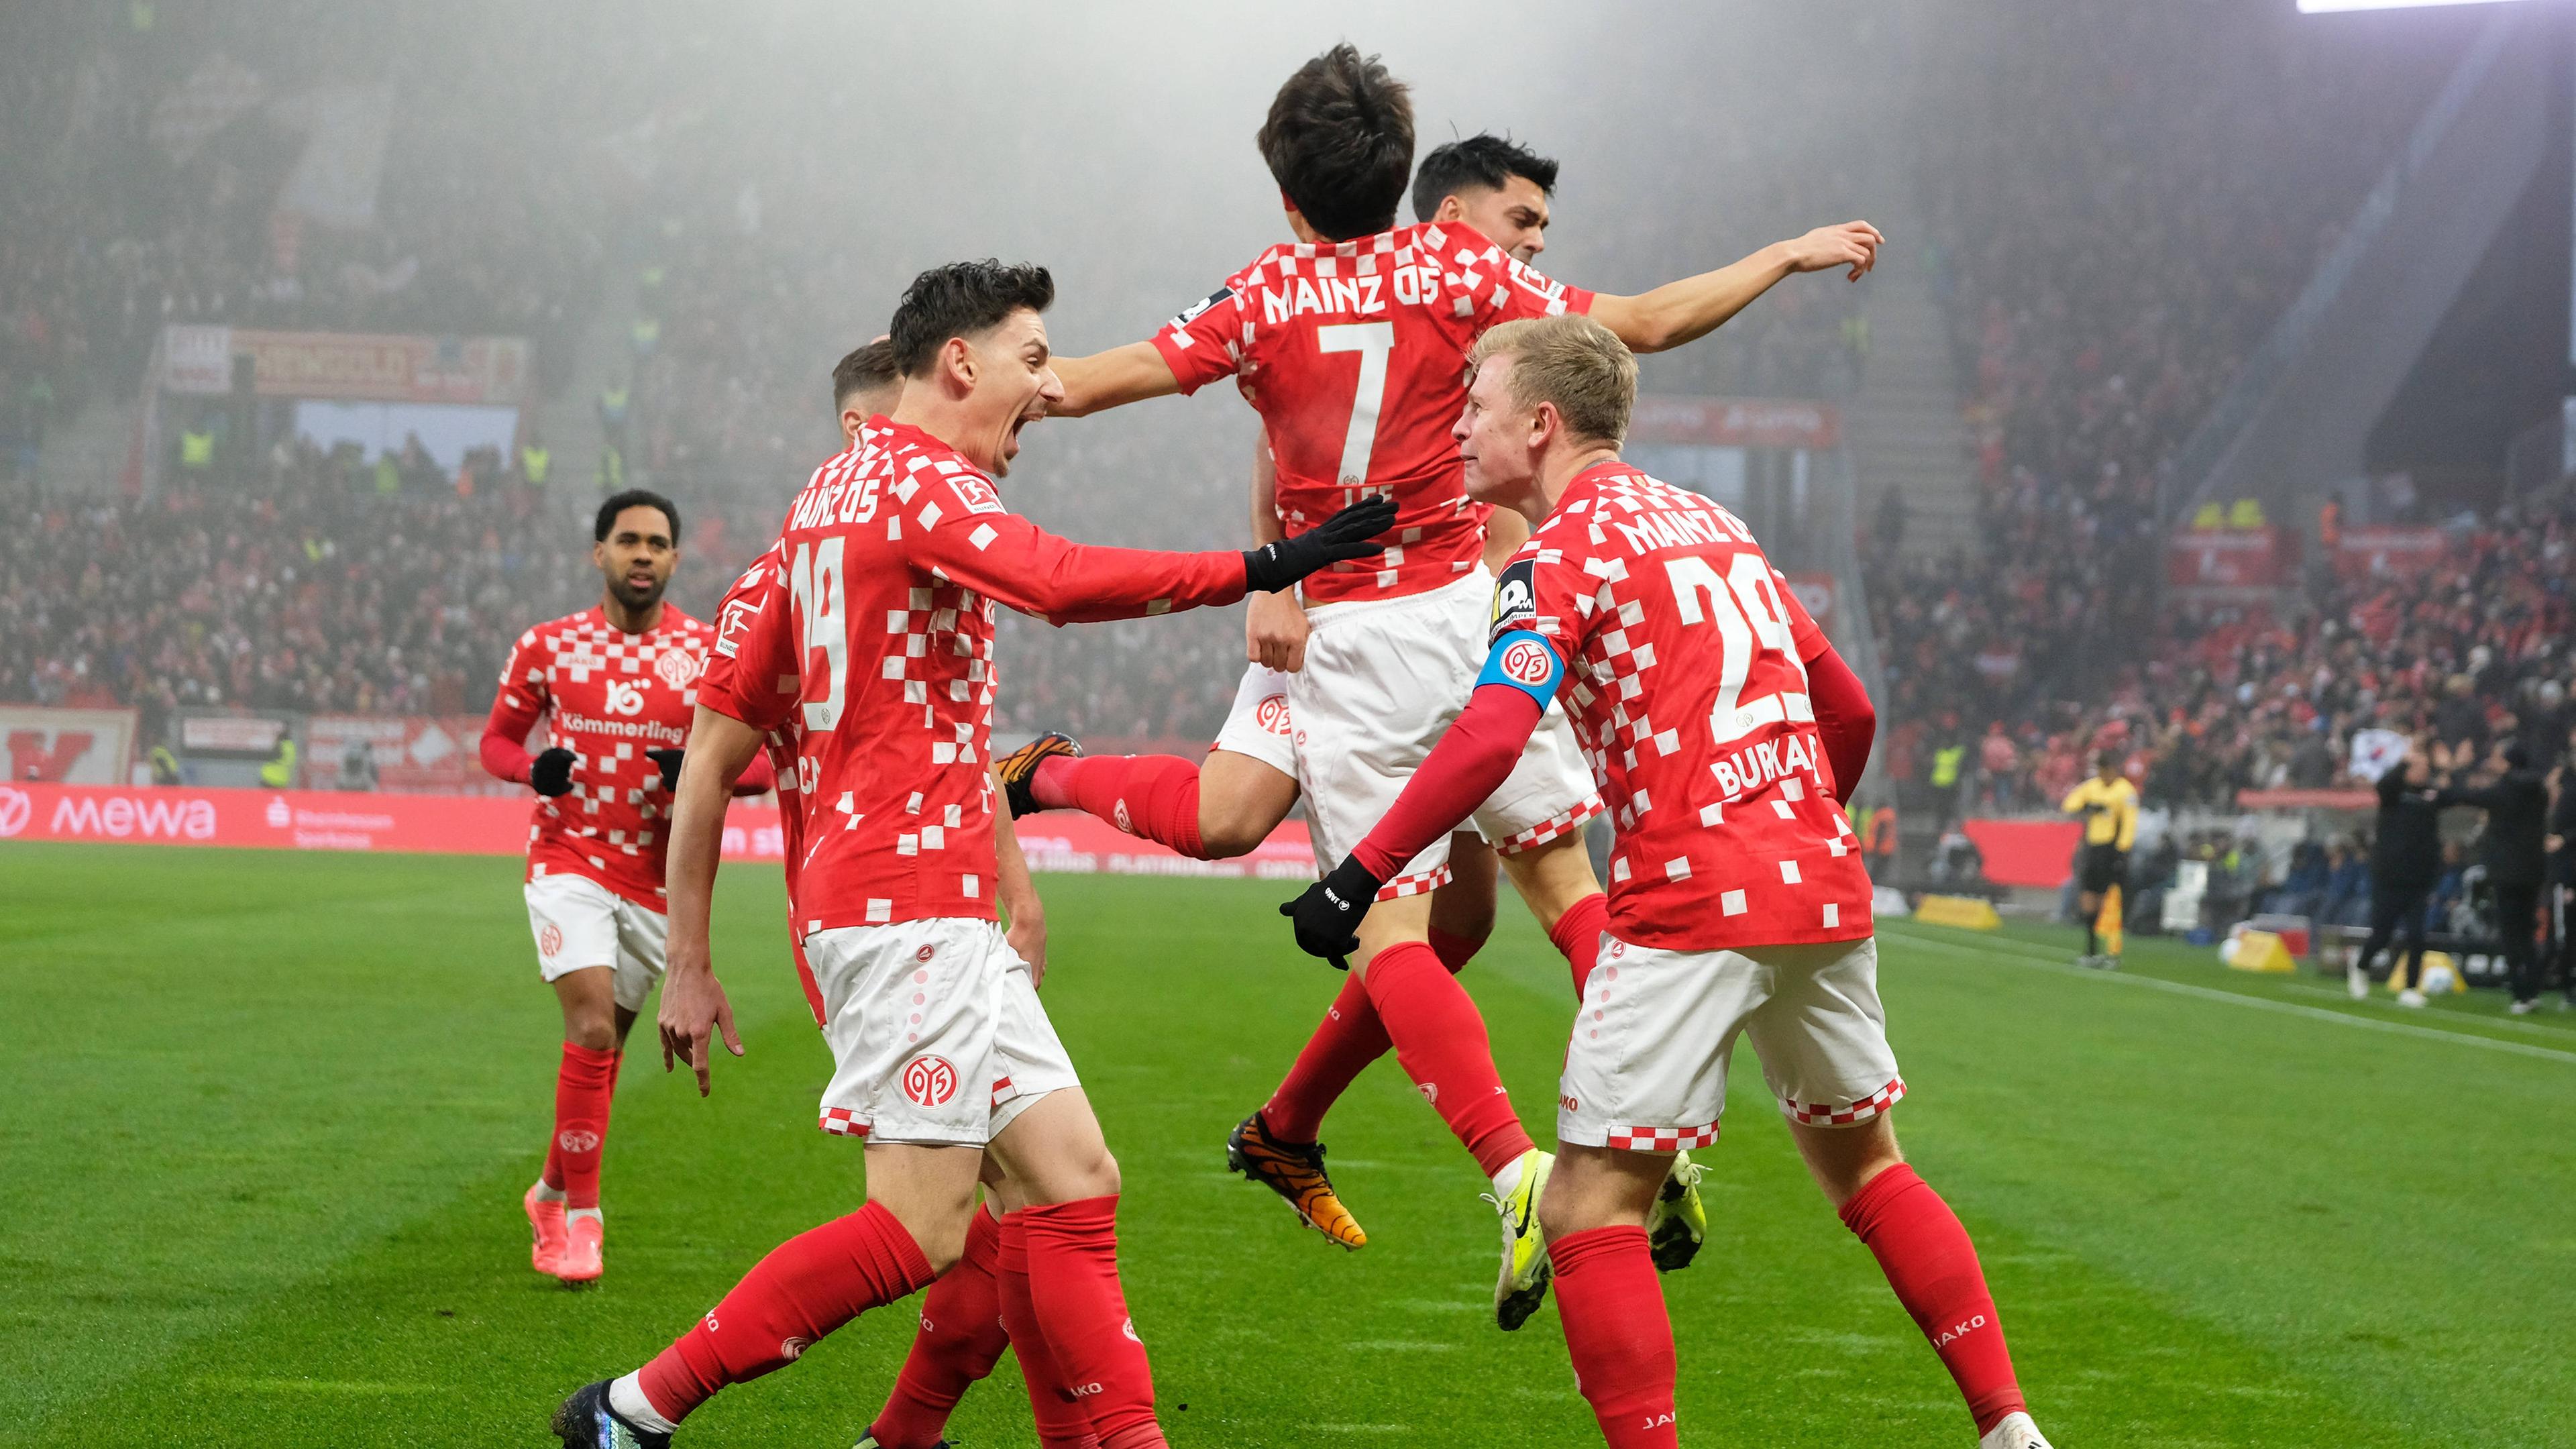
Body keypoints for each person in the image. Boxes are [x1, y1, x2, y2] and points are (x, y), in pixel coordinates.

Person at [1017, 46, 1879, 1312]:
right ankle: (1657, 1136)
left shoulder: (1261, 295)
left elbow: (1086, 386)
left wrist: (965, 378)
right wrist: (1785, 256)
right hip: (1469, 611)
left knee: (1398, 926)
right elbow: (1638, 326)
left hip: (1359, 637)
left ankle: (1521, 1175)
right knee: (1556, 878)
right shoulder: (1463, 269)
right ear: (1408, 181)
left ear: (1289, 195)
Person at [550, 260, 1395, 1449]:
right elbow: (1053, 582)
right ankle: (635, 1412)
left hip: (923, 898)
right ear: (961, 364)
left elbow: (872, 711)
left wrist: (1005, 881)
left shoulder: (828, 496)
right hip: (900, 906)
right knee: (922, 1231)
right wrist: (1255, 568)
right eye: (1033, 360)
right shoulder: (918, 482)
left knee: (1071, 1177)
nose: (1048, 391)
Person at [1280, 315, 2047, 1449]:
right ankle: (2010, 1428)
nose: (1461, 423)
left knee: (1593, 1205)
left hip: (1692, 901)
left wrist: (1363, 871)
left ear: (1540, 424)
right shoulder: (1716, 523)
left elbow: (1494, 737)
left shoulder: (1560, 557)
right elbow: (1854, 710)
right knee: (1871, 1170)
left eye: (1478, 403)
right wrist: (1788, 821)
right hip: (1822, 887)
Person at [480, 488, 775, 1285]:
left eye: (656, 543)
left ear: (676, 559)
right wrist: (529, 769)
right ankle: (581, 1222)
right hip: (568, 860)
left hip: (657, 881)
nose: (642, 554)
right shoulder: (547, 648)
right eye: (627, 540)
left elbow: (764, 761)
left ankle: (548, 1192)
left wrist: (710, 772)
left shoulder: (711, 652)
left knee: (600, 1052)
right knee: (593, 1029)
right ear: (599, 553)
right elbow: (497, 743)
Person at [2440, 740, 2550, 1013]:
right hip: (2534, 870)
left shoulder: (2504, 791)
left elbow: (2465, 795)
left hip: (2507, 873)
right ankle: (2533, 988)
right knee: (2527, 932)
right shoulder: (2539, 790)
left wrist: (2457, 769)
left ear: (2508, 763)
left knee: (2511, 933)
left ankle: (2520, 992)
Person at [2351, 740, 2442, 1007]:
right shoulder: (2394, 793)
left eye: (2425, 767)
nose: (2422, 772)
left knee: (2417, 936)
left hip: (2418, 880)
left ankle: (2412, 988)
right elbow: (2383, 786)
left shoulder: (2431, 796)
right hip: (2390, 877)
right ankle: (2361, 965)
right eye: (2417, 767)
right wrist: (2403, 761)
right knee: (2382, 934)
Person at [2059, 752, 2137, 968]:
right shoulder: (2092, 787)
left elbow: (2129, 823)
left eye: (2106, 771)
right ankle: (2092, 951)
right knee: (2089, 899)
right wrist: (2087, 807)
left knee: (2111, 902)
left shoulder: (2125, 792)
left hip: (2113, 851)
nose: (2103, 776)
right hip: (2093, 849)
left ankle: (2113, 953)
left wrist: (2123, 850)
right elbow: (2069, 804)